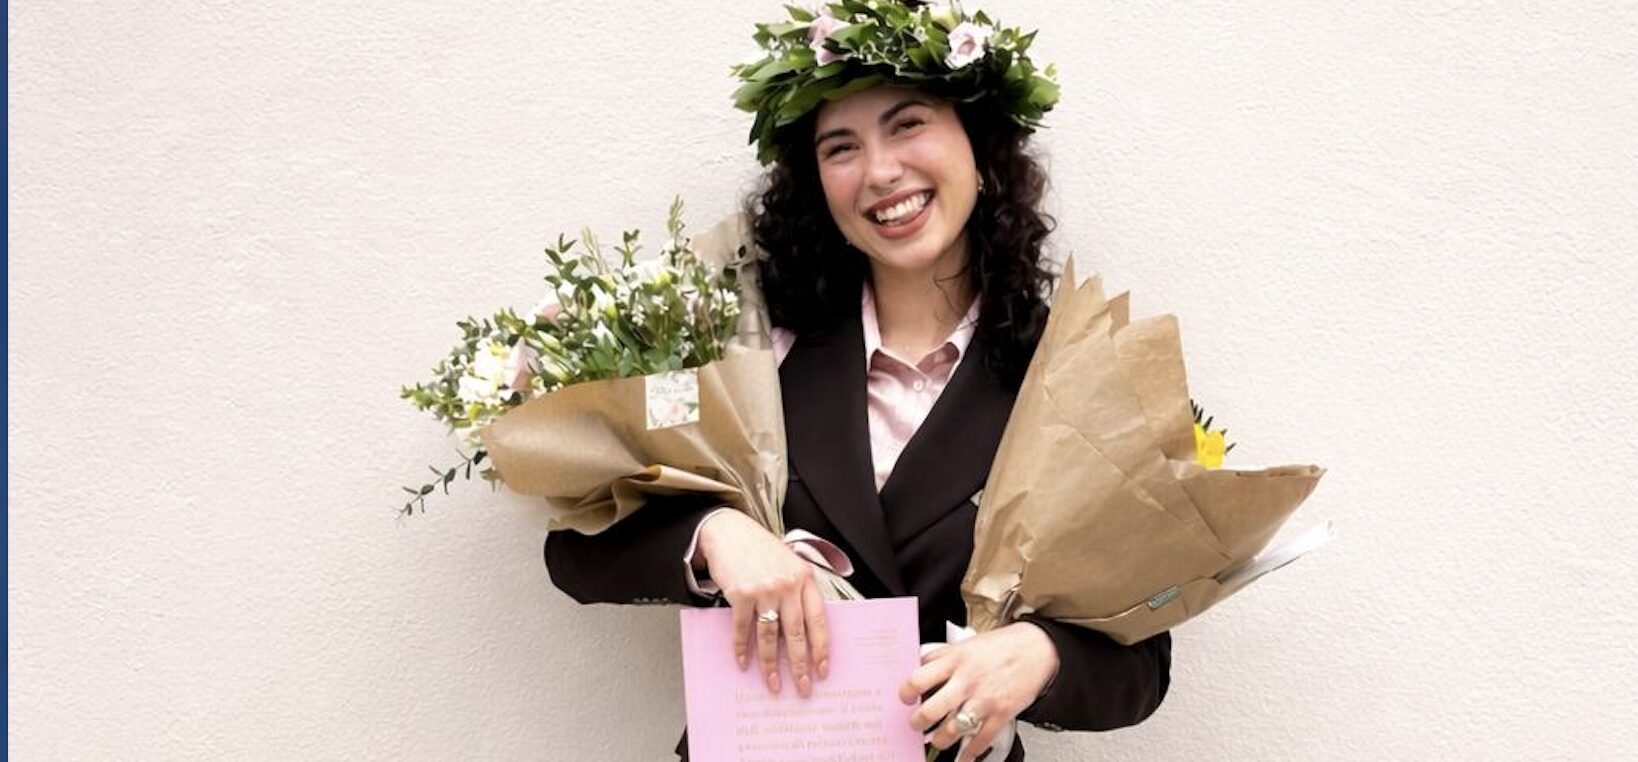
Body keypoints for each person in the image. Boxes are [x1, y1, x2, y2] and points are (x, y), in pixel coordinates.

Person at [544, 4, 1170, 760]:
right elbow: (577, 549)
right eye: (841, 147)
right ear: (816, 183)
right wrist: (711, 535)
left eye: (908, 125)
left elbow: (1143, 664)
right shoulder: (745, 347)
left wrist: (1040, 656)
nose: (879, 172)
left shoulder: (1070, 372)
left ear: (979, 146)